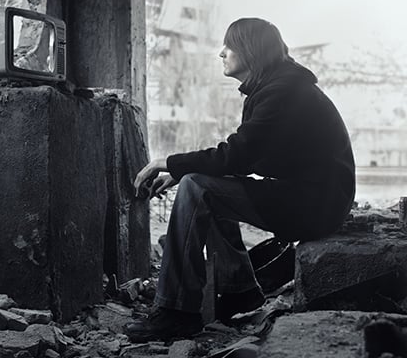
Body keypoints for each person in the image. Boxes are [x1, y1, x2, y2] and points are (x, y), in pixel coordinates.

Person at [124, 18, 355, 342]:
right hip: (316, 198)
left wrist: (169, 164)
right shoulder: (280, 87)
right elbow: (240, 159)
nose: (221, 53)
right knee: (201, 183)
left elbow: (236, 156)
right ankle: (238, 289)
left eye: (229, 45)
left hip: (315, 204)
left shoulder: (281, 92)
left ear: (250, 50)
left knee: (196, 187)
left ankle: (176, 311)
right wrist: (185, 171)